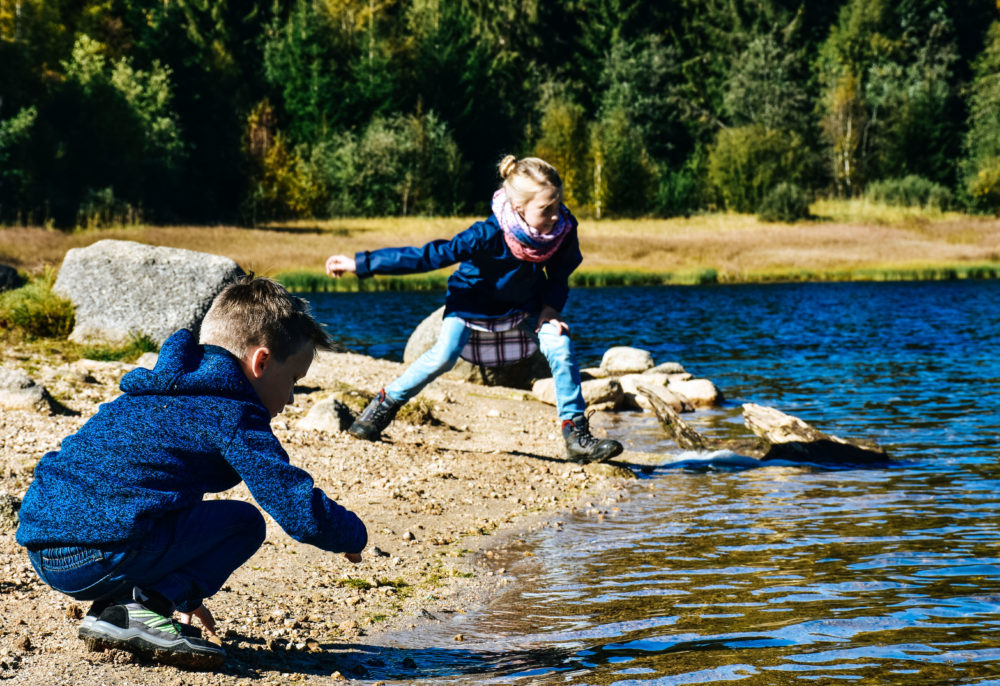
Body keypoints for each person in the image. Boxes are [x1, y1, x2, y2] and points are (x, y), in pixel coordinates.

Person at [15, 276, 367, 670]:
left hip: (46, 548)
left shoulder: (161, 390)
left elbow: (153, 491)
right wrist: (349, 534)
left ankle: (125, 611)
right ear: (261, 362)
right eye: (293, 383)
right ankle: (142, 608)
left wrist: (186, 592)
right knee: (244, 523)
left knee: (168, 501)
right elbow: (291, 501)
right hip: (98, 553)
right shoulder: (232, 411)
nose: (289, 398)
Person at [325, 154, 623, 464]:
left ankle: (576, 436)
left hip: (523, 307)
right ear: (519, 208)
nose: (554, 216)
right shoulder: (488, 234)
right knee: (442, 356)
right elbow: (429, 256)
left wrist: (551, 308)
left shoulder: (562, 229)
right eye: (545, 209)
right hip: (471, 304)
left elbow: (561, 273)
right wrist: (361, 264)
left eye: (557, 205)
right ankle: (379, 410)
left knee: (560, 345)